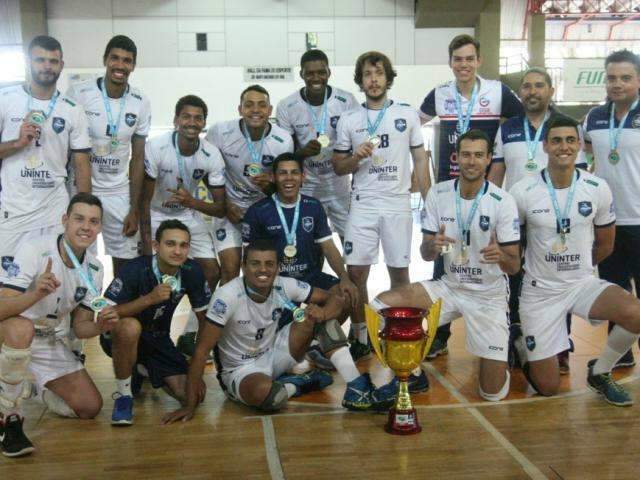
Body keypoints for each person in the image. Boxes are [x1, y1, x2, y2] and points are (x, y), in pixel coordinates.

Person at [372, 129, 521, 402]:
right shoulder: (438, 194)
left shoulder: (503, 201)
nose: (472, 161)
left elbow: (514, 267)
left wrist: (501, 255)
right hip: (449, 287)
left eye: (478, 155)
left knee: (492, 393)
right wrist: (432, 246)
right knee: (380, 306)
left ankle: (500, 354)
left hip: (488, 296)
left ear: (489, 159)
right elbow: (426, 255)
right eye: (466, 155)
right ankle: (412, 374)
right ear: (456, 157)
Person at [242, 153, 399, 410]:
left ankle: (316, 343)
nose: (289, 178)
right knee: (294, 359)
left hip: (310, 280)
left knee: (347, 294)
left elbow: (328, 246)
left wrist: (346, 279)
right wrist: (259, 294)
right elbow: (247, 260)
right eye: (283, 173)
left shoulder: (313, 206)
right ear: (273, 177)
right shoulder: (259, 212)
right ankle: (316, 349)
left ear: (303, 176)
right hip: (278, 284)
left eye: (294, 172)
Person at [511, 115, 640, 406]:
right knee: (548, 387)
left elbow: (606, 244)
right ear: (545, 146)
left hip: (581, 284)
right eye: (556, 140)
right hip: (540, 292)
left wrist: (578, 266)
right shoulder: (522, 191)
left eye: (570, 140)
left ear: (580, 144)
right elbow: (514, 246)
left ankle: (601, 370)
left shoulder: (597, 187)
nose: (563, 146)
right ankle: (522, 342)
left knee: (635, 313)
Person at [419, 34, 523, 358]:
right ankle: (439, 334)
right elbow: (409, 127)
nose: (463, 65)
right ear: (450, 63)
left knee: (488, 259)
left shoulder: (497, 92)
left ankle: (503, 329)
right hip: (448, 190)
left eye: (469, 59)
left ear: (479, 61)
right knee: (443, 262)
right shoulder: (439, 94)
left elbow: (521, 124)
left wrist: (494, 182)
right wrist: (420, 181)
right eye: (457, 59)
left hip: (483, 190)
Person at [161, 239, 342, 422]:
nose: (263, 269)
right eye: (255, 263)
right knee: (273, 398)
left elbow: (335, 299)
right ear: (243, 267)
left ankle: (357, 387)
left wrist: (323, 313)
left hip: (274, 355)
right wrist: (189, 405)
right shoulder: (226, 296)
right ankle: (297, 384)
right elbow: (201, 351)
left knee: (319, 320)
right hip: (240, 371)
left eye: (269, 264)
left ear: (278, 267)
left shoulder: (284, 284)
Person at [0, 193, 119, 457]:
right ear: (65, 220)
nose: (86, 227)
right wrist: (34, 295)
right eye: (79, 219)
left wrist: (102, 326)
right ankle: (10, 419)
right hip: (12, 333)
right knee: (22, 328)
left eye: (93, 221)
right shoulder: (35, 248)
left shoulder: (95, 269)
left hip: (47, 338)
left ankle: (30, 389)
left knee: (89, 407)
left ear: (100, 228)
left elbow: (79, 327)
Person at [487, 68, 588, 374]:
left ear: (550, 90)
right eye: (526, 87)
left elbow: (580, 173)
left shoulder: (566, 126)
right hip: (515, 218)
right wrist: (489, 214)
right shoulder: (509, 128)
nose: (532, 91)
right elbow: (496, 174)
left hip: (556, 220)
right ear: (521, 93)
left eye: (539, 86)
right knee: (515, 282)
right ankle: (516, 341)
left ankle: (560, 348)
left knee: (557, 283)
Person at [332, 51, 430, 363]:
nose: (373, 80)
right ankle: (360, 333)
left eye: (379, 73)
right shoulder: (349, 119)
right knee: (357, 271)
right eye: (367, 74)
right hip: (363, 203)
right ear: (360, 81)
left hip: (397, 203)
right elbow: (338, 166)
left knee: (399, 270)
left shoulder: (407, 114)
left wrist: (431, 202)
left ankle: (397, 329)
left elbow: (420, 161)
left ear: (388, 77)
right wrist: (355, 157)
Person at [100, 220, 211, 425]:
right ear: (156, 246)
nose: (177, 251)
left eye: (183, 245)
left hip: (158, 338)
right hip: (121, 336)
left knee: (193, 397)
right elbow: (106, 314)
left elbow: (207, 323)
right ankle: (124, 397)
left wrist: (196, 369)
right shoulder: (135, 269)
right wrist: (148, 299)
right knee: (130, 327)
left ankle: (143, 368)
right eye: (170, 244)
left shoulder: (191, 271)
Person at [0, 35, 91, 279]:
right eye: (40, 60)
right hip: (14, 208)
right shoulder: (5, 99)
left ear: (62, 65)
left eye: (53, 61)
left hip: (54, 209)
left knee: (53, 279)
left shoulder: (73, 108)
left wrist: (85, 211)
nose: (47, 66)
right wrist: (17, 143)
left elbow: (82, 165)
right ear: (29, 62)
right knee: (7, 281)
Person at [66, 35, 151, 274]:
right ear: (105, 60)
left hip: (118, 191)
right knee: (78, 255)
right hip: (83, 186)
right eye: (115, 58)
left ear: (133, 66)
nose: (120, 65)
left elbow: (138, 157)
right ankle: (79, 309)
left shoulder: (141, 101)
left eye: (127, 60)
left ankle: (119, 308)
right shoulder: (79, 92)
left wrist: (133, 208)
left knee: (126, 260)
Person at [583, 49, 640, 369]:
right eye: (612, 78)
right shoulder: (593, 118)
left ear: (638, 80)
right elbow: (589, 157)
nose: (617, 84)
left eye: (625, 78)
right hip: (607, 222)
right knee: (614, 290)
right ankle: (620, 354)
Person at [205, 85, 294, 284]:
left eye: (262, 105)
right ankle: (222, 315)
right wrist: (225, 205)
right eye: (249, 105)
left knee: (262, 272)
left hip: (263, 214)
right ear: (240, 109)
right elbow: (206, 171)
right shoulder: (220, 132)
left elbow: (284, 186)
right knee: (230, 270)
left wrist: (269, 186)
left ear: (270, 111)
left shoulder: (283, 140)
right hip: (230, 210)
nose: (256, 110)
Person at [275, 49, 359, 239]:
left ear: (329, 73)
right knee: (313, 247)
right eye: (310, 73)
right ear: (302, 74)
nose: (316, 77)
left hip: (340, 186)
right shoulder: (287, 106)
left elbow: (357, 142)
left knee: (353, 245)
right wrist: (302, 152)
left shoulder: (346, 101)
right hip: (308, 187)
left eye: (321, 72)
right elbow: (285, 156)